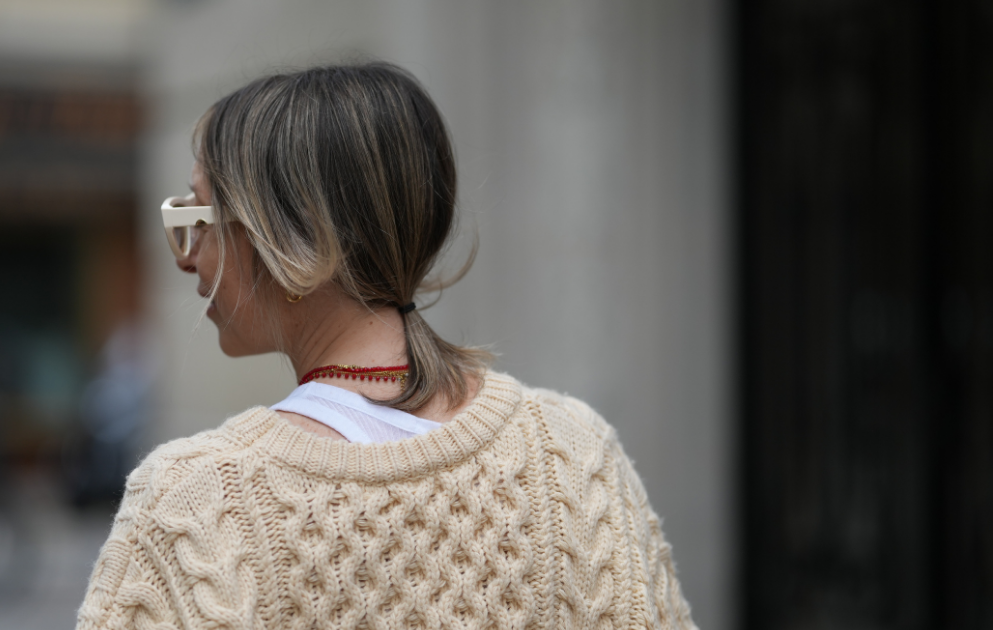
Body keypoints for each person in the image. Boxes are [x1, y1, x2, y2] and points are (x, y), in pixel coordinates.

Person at [76, 62, 697, 630]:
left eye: (200, 220)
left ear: (294, 238)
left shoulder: (196, 502)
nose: (187, 259)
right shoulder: (574, 457)